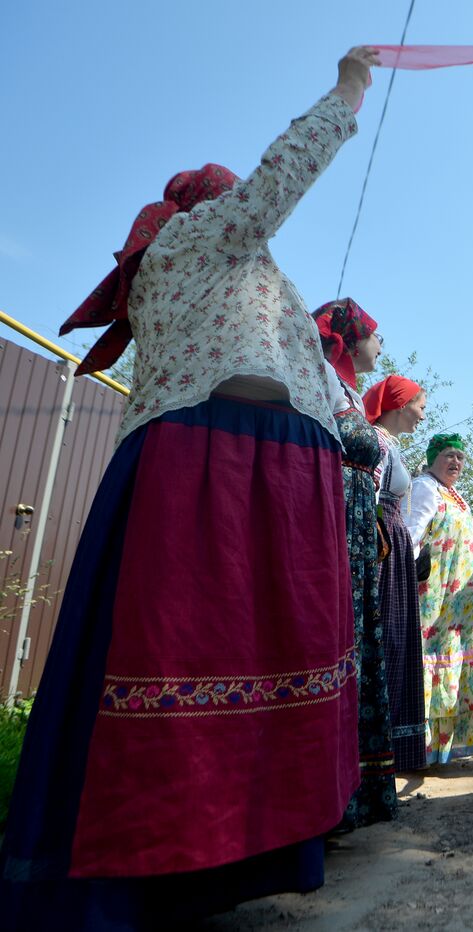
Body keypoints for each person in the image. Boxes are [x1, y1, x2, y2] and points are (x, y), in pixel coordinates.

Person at [0, 49, 377, 927]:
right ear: (212, 201)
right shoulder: (197, 236)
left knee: (219, 659)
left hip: (255, 463)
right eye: (235, 197)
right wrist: (350, 89)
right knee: (180, 654)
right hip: (224, 461)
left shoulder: (228, 271)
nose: (251, 209)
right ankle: (142, 877)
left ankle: (212, 867)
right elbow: (277, 183)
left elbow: (302, 370)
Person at [314, 297, 393, 829]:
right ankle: (327, 798)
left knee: (358, 637)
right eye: (375, 335)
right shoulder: (319, 377)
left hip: (359, 523)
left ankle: (356, 792)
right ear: (351, 337)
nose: (380, 345)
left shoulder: (344, 390)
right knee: (336, 636)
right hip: (335, 515)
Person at [406, 434, 473, 765]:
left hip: (461, 610)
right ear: (433, 458)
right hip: (435, 602)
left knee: (454, 664)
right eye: (448, 455)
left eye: (460, 456)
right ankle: (421, 750)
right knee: (431, 663)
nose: (455, 461)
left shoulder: (456, 497)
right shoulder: (424, 488)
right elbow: (409, 535)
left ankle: (443, 748)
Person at [363, 373, 429, 774]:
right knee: (386, 634)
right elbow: (369, 499)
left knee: (398, 637)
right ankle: (376, 748)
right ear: (401, 405)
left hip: (396, 547)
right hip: (383, 547)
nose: (422, 415)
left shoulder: (392, 446)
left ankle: (393, 748)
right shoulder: (376, 443)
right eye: (420, 407)